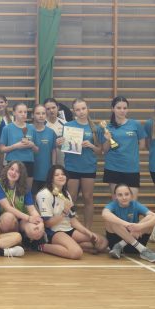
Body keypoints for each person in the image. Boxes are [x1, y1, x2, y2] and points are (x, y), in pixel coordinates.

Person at [35, 165, 107, 259]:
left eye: (63, 174)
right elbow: (47, 224)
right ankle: (41, 246)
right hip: (53, 232)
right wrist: (64, 213)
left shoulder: (66, 194)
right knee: (76, 253)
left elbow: (73, 220)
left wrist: (88, 232)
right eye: (57, 175)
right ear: (51, 179)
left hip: (68, 229)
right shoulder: (44, 194)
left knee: (102, 242)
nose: (61, 176)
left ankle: (72, 245)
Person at [61, 98, 104, 229]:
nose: (81, 112)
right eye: (78, 109)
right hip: (72, 166)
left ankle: (88, 230)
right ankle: (69, 228)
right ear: (74, 111)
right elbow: (63, 147)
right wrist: (60, 143)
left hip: (88, 167)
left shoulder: (96, 128)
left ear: (88, 109)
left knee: (88, 198)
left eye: (83, 108)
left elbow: (100, 151)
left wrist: (91, 145)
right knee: (71, 199)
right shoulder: (68, 126)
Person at [102, 183, 155, 263]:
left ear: (131, 195)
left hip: (135, 240)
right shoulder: (113, 205)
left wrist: (139, 226)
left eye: (126, 194)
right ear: (115, 196)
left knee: (150, 218)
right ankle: (143, 250)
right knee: (110, 219)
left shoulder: (135, 204)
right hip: (116, 243)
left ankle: (121, 244)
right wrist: (126, 224)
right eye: (120, 195)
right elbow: (104, 214)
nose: (124, 197)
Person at [102, 96, 146, 198]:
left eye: (125, 108)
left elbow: (142, 145)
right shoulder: (107, 127)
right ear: (112, 109)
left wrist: (129, 152)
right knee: (116, 202)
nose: (122, 111)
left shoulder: (135, 124)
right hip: (113, 168)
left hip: (131, 168)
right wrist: (108, 139)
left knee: (132, 201)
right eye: (119, 108)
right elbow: (105, 150)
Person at [0, 161, 45, 245]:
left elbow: (32, 209)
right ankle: (12, 243)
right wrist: (28, 218)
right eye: (12, 169)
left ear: (21, 175)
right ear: (7, 169)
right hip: (4, 218)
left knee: (35, 230)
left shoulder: (25, 187)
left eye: (17, 171)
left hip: (21, 220)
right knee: (8, 218)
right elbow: (7, 207)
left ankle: (17, 242)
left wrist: (40, 222)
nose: (13, 173)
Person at [0, 103, 39, 189]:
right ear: (14, 113)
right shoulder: (7, 128)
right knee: (12, 188)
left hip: (28, 162)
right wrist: (15, 146)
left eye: (25, 112)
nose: (23, 114)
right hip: (13, 162)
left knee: (27, 189)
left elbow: (37, 150)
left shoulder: (32, 128)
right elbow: (2, 149)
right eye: (20, 112)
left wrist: (32, 145)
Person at [31, 104, 56, 195]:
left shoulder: (51, 132)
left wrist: (53, 167)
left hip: (45, 172)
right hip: (30, 171)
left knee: (44, 199)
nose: (41, 116)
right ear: (32, 115)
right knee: (31, 198)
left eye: (43, 113)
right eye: (38, 113)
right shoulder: (27, 130)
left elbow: (53, 150)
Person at [44, 97, 67, 165]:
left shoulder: (65, 123)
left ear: (58, 107)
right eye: (48, 109)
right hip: (46, 161)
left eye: (53, 107)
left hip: (62, 161)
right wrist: (54, 144)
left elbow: (70, 144)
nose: (51, 110)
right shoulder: (42, 125)